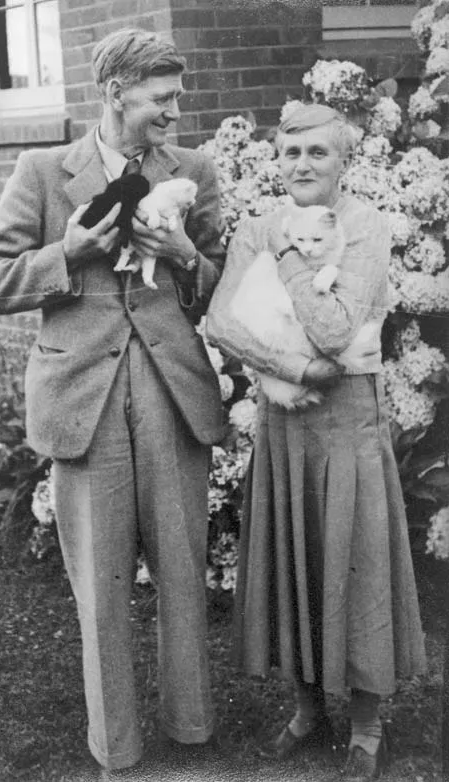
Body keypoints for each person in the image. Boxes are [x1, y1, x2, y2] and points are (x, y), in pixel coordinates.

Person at [0, 28, 226, 774]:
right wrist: (69, 255)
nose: (175, 112)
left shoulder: (194, 170)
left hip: (172, 389)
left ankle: (193, 732)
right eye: (161, 98)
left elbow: (218, 287)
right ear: (115, 94)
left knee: (182, 570)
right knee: (101, 586)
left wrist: (181, 254)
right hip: (85, 396)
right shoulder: (46, 171)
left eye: (177, 96)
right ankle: (118, 747)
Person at [206, 104, 426, 780]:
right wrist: (298, 369)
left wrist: (287, 261)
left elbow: (337, 328)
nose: (301, 166)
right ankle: (307, 710)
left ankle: (364, 727)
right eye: (291, 153)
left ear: (343, 162)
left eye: (317, 154)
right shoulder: (256, 224)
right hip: (285, 420)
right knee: (292, 554)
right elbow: (220, 322)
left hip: (347, 423)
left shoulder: (364, 226)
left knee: (354, 555)